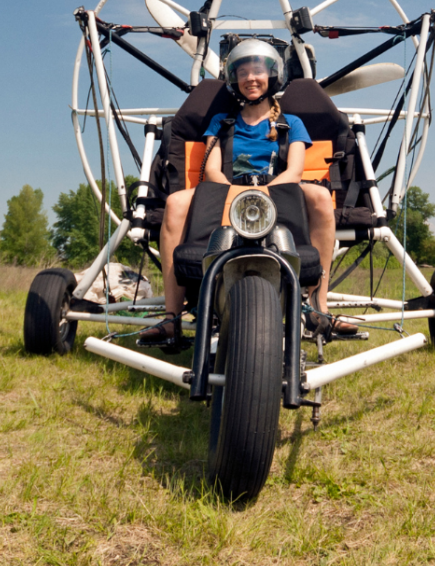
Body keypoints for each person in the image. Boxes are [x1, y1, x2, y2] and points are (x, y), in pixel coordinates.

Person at [138, 39, 356, 344]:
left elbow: (293, 172)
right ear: (234, 80)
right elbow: (213, 170)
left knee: (320, 197)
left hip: (280, 190)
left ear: (272, 76)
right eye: (242, 72)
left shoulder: (291, 123)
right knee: (175, 202)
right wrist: (236, 195)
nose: (250, 78)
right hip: (228, 190)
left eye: (257, 71)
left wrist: (263, 193)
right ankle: (172, 317)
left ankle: (319, 307)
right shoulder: (221, 122)